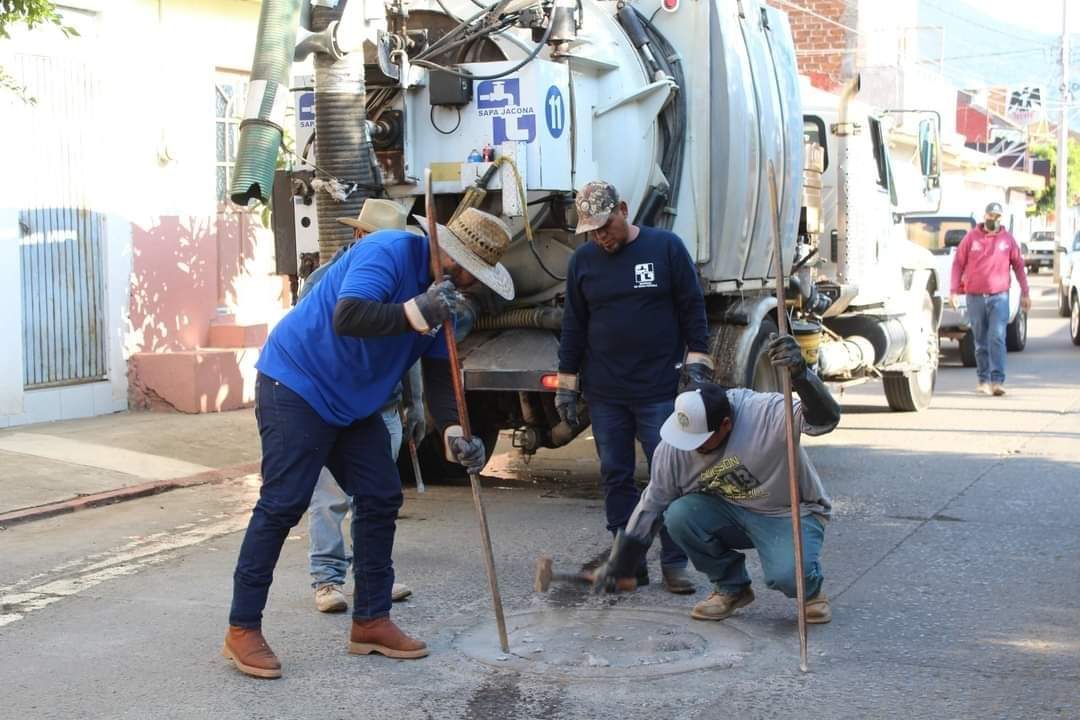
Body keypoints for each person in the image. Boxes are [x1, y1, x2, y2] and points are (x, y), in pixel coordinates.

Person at [222, 206, 515, 679]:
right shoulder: (387, 250)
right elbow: (350, 315)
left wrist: (457, 433)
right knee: (282, 503)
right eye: (466, 271)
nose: (467, 283)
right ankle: (242, 628)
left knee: (380, 495)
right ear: (447, 253)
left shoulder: (447, 300)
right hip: (296, 384)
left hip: (353, 405)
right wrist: (419, 310)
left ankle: (372, 620)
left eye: (475, 278)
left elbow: (441, 376)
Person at [590, 335, 841, 625]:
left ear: (726, 424)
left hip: (787, 511)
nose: (691, 448)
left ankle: (811, 593)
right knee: (679, 515)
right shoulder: (675, 445)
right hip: (729, 511)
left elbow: (826, 421)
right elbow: (652, 504)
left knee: (786, 577)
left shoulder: (763, 413)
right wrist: (622, 561)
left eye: (701, 440)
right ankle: (732, 589)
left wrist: (801, 375)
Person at [555, 180, 713, 594]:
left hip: (658, 389)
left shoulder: (665, 249)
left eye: (605, 226)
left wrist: (698, 361)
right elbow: (573, 326)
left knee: (670, 475)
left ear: (623, 209)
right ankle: (628, 564)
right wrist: (567, 385)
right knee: (616, 476)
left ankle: (675, 563)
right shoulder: (583, 262)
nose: (601, 237)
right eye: (592, 231)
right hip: (605, 392)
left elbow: (692, 307)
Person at [304, 199, 428, 613]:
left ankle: (371, 579)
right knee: (329, 497)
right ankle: (326, 580)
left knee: (373, 498)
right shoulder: (324, 280)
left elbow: (408, 347)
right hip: (335, 403)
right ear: (360, 236)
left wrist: (418, 402)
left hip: (383, 407)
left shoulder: (403, 278)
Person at [950, 202, 1031, 396]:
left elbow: (1019, 266)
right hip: (975, 297)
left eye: (997, 217)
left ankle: (997, 381)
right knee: (980, 340)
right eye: (990, 216)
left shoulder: (1008, 240)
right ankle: (983, 379)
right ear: (984, 216)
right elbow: (957, 264)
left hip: (999, 297)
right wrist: (953, 291)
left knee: (997, 336)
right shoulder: (971, 238)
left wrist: (1026, 293)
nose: (993, 220)